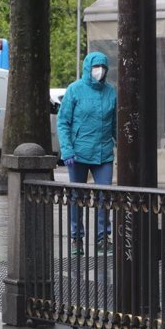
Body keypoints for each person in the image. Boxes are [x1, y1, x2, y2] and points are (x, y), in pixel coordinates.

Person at [57, 51, 117, 256]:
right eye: (95, 67)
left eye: (102, 67)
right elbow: (63, 122)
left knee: (105, 195)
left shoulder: (111, 92)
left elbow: (116, 124)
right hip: (78, 154)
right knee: (76, 197)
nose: (99, 71)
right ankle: (76, 239)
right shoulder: (74, 90)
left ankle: (103, 238)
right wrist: (67, 149)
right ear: (87, 69)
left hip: (103, 153)